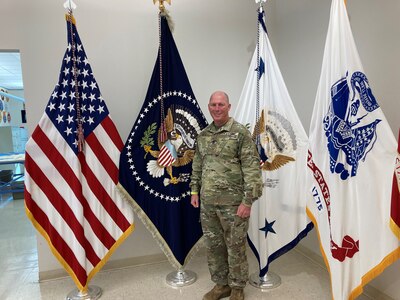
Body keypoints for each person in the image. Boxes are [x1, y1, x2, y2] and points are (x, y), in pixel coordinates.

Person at [190, 91, 263, 300]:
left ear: (229, 107)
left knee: (235, 246)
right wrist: (194, 190)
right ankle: (221, 285)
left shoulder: (240, 133)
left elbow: (252, 170)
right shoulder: (203, 135)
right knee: (214, 246)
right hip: (208, 204)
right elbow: (198, 165)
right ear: (209, 106)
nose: (217, 108)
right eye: (213, 104)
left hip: (234, 205)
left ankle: (238, 287)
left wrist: (248, 201)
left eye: (221, 104)